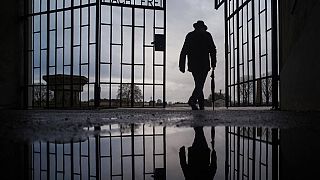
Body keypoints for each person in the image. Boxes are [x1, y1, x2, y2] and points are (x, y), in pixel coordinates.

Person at [179, 20, 217, 110]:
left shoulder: (190, 35)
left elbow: (184, 50)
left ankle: (201, 105)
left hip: (193, 64)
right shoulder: (207, 35)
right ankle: (192, 100)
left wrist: (182, 65)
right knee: (200, 84)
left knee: (199, 84)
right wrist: (213, 63)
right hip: (204, 64)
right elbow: (212, 50)